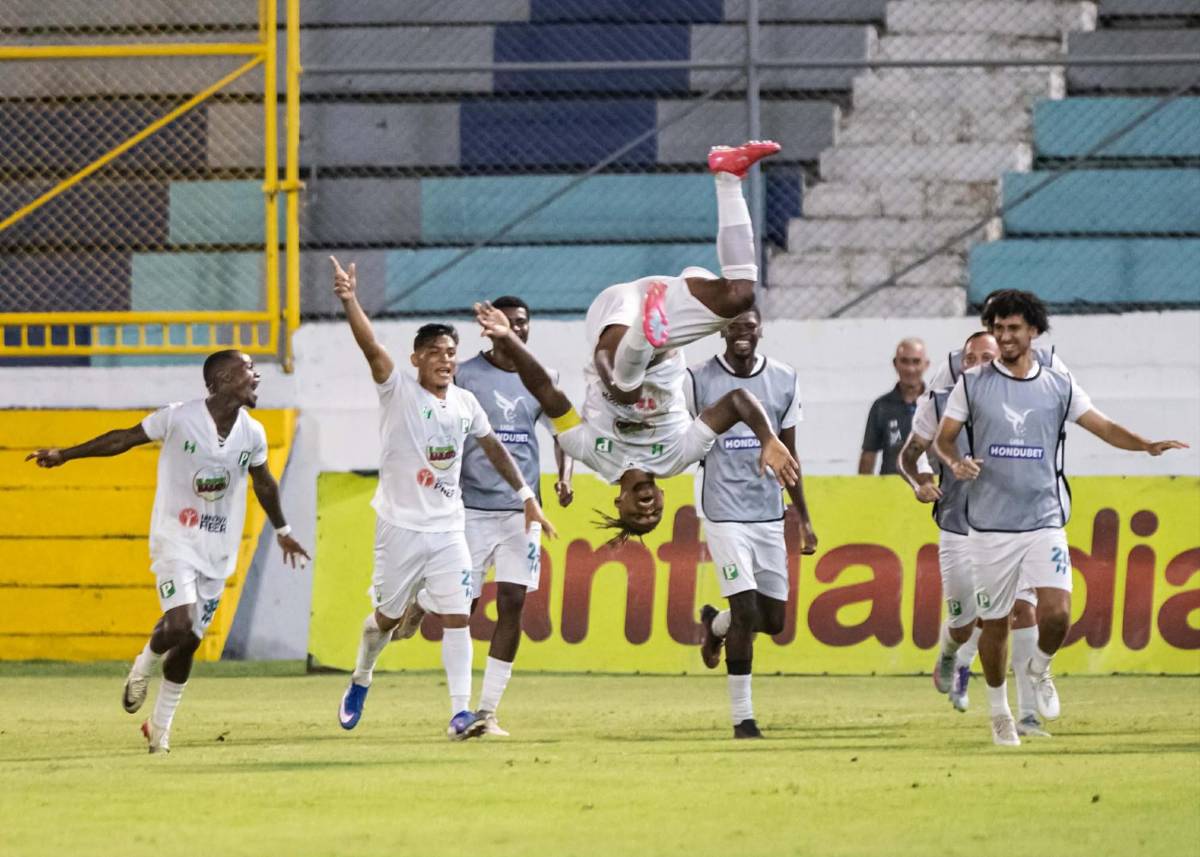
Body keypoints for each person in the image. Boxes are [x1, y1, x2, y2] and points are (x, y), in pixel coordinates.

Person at [470, 141, 800, 542]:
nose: (648, 509)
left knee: (624, 391)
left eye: (637, 515)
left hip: (616, 324)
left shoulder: (590, 452)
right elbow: (737, 401)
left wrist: (509, 338)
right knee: (741, 296)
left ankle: (647, 332)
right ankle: (729, 175)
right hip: (664, 329)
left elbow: (546, 391)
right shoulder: (678, 457)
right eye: (655, 513)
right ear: (662, 497)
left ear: (619, 502)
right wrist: (768, 438)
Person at [933, 289, 1188, 746]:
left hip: (1043, 519)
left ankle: (1040, 667)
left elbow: (1102, 425)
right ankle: (999, 712)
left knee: (1058, 613)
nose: (1004, 336)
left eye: (1013, 328)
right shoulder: (972, 383)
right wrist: (955, 463)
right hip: (989, 526)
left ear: (1033, 331)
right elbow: (944, 438)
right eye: (998, 328)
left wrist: (1144, 444)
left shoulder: (1057, 384)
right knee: (994, 624)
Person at [26, 350, 310, 754]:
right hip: (176, 538)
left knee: (189, 642)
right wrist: (65, 455)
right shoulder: (179, 417)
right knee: (178, 624)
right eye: (249, 369)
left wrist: (283, 530)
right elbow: (124, 438)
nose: (256, 377)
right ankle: (143, 664)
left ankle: (159, 729)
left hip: (218, 550)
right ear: (224, 379)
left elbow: (263, 483)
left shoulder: (253, 433)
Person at [330, 257, 556, 741]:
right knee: (386, 620)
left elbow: (494, 448)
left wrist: (526, 495)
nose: (445, 359)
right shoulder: (398, 392)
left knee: (458, 617)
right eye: (434, 352)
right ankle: (362, 676)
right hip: (400, 527)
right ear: (416, 359)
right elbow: (371, 347)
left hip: (450, 528)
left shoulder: (466, 402)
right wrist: (350, 300)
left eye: (450, 352)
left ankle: (460, 714)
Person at [396, 295, 574, 737]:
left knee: (513, 603)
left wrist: (564, 477)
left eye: (522, 322)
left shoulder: (543, 377)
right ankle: (425, 602)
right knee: (464, 607)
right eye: (507, 321)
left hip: (522, 511)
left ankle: (487, 711)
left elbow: (562, 432)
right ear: (489, 328)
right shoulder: (467, 374)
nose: (516, 328)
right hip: (471, 508)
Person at [897, 331, 1048, 736]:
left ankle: (1026, 714)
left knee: (1022, 609)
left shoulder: (1028, 398)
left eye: (986, 357)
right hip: (959, 526)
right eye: (970, 358)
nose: (977, 364)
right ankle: (952, 653)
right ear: (960, 363)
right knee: (965, 622)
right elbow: (909, 455)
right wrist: (921, 482)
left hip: (1014, 525)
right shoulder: (941, 402)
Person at [686, 307, 818, 738]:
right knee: (745, 610)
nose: (741, 333)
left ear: (760, 330)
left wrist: (804, 518)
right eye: (734, 326)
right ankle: (743, 719)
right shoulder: (697, 379)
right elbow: (680, 438)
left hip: (768, 512)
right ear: (721, 330)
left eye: (749, 326)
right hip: (722, 511)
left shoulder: (784, 378)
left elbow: (790, 454)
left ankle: (715, 625)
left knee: (773, 620)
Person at [859, 338, 929, 475]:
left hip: (931, 485)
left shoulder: (938, 404)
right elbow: (869, 454)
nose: (910, 369)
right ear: (895, 364)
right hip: (892, 485)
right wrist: (863, 486)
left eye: (916, 361)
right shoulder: (881, 407)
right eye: (904, 361)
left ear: (926, 364)